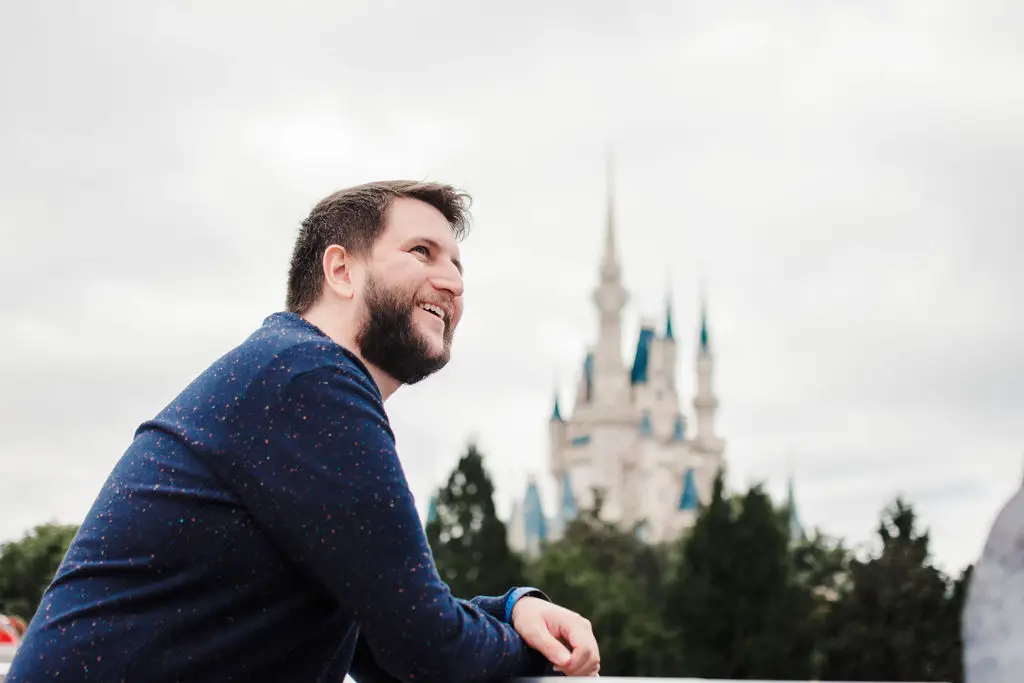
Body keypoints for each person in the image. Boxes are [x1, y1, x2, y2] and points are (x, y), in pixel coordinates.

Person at [7, 181, 600, 682]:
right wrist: (538, 650)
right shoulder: (308, 378)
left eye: (457, 265)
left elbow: (380, 630)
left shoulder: (286, 373)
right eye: (423, 251)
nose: (452, 282)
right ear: (341, 269)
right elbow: (422, 647)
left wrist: (511, 610)